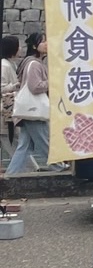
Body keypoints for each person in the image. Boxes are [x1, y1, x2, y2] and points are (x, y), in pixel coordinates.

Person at [6, 33, 63, 175]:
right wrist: (53, 82)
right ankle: (58, 167)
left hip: (28, 111)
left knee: (24, 146)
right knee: (44, 141)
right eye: (43, 41)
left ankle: (12, 174)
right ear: (34, 46)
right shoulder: (35, 64)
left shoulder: (30, 62)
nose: (46, 43)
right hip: (34, 110)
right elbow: (35, 87)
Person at [1, 35, 20, 145]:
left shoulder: (11, 64)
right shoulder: (4, 65)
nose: (20, 48)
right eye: (18, 46)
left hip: (10, 109)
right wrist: (16, 85)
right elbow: (2, 88)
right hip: (5, 110)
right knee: (11, 141)